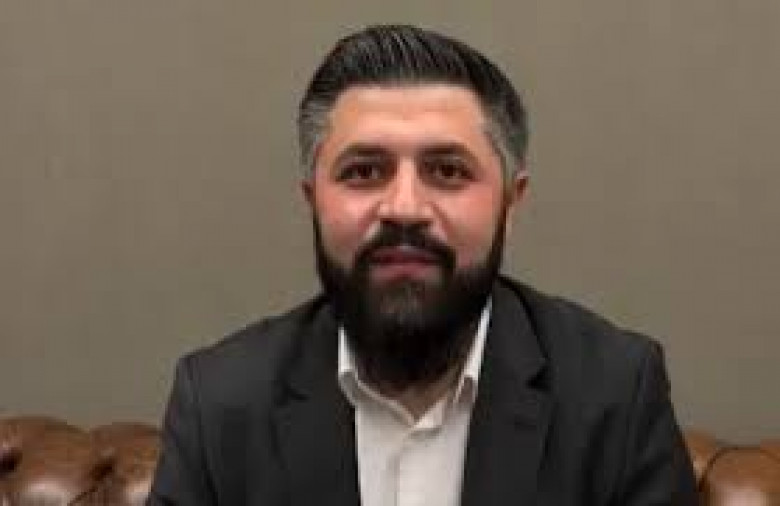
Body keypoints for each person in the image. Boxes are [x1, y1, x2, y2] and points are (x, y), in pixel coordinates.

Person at [148, 24, 697, 505]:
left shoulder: (615, 394)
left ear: (510, 203)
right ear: (313, 200)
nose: (404, 208)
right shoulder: (220, 404)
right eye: (364, 172)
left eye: (448, 171)